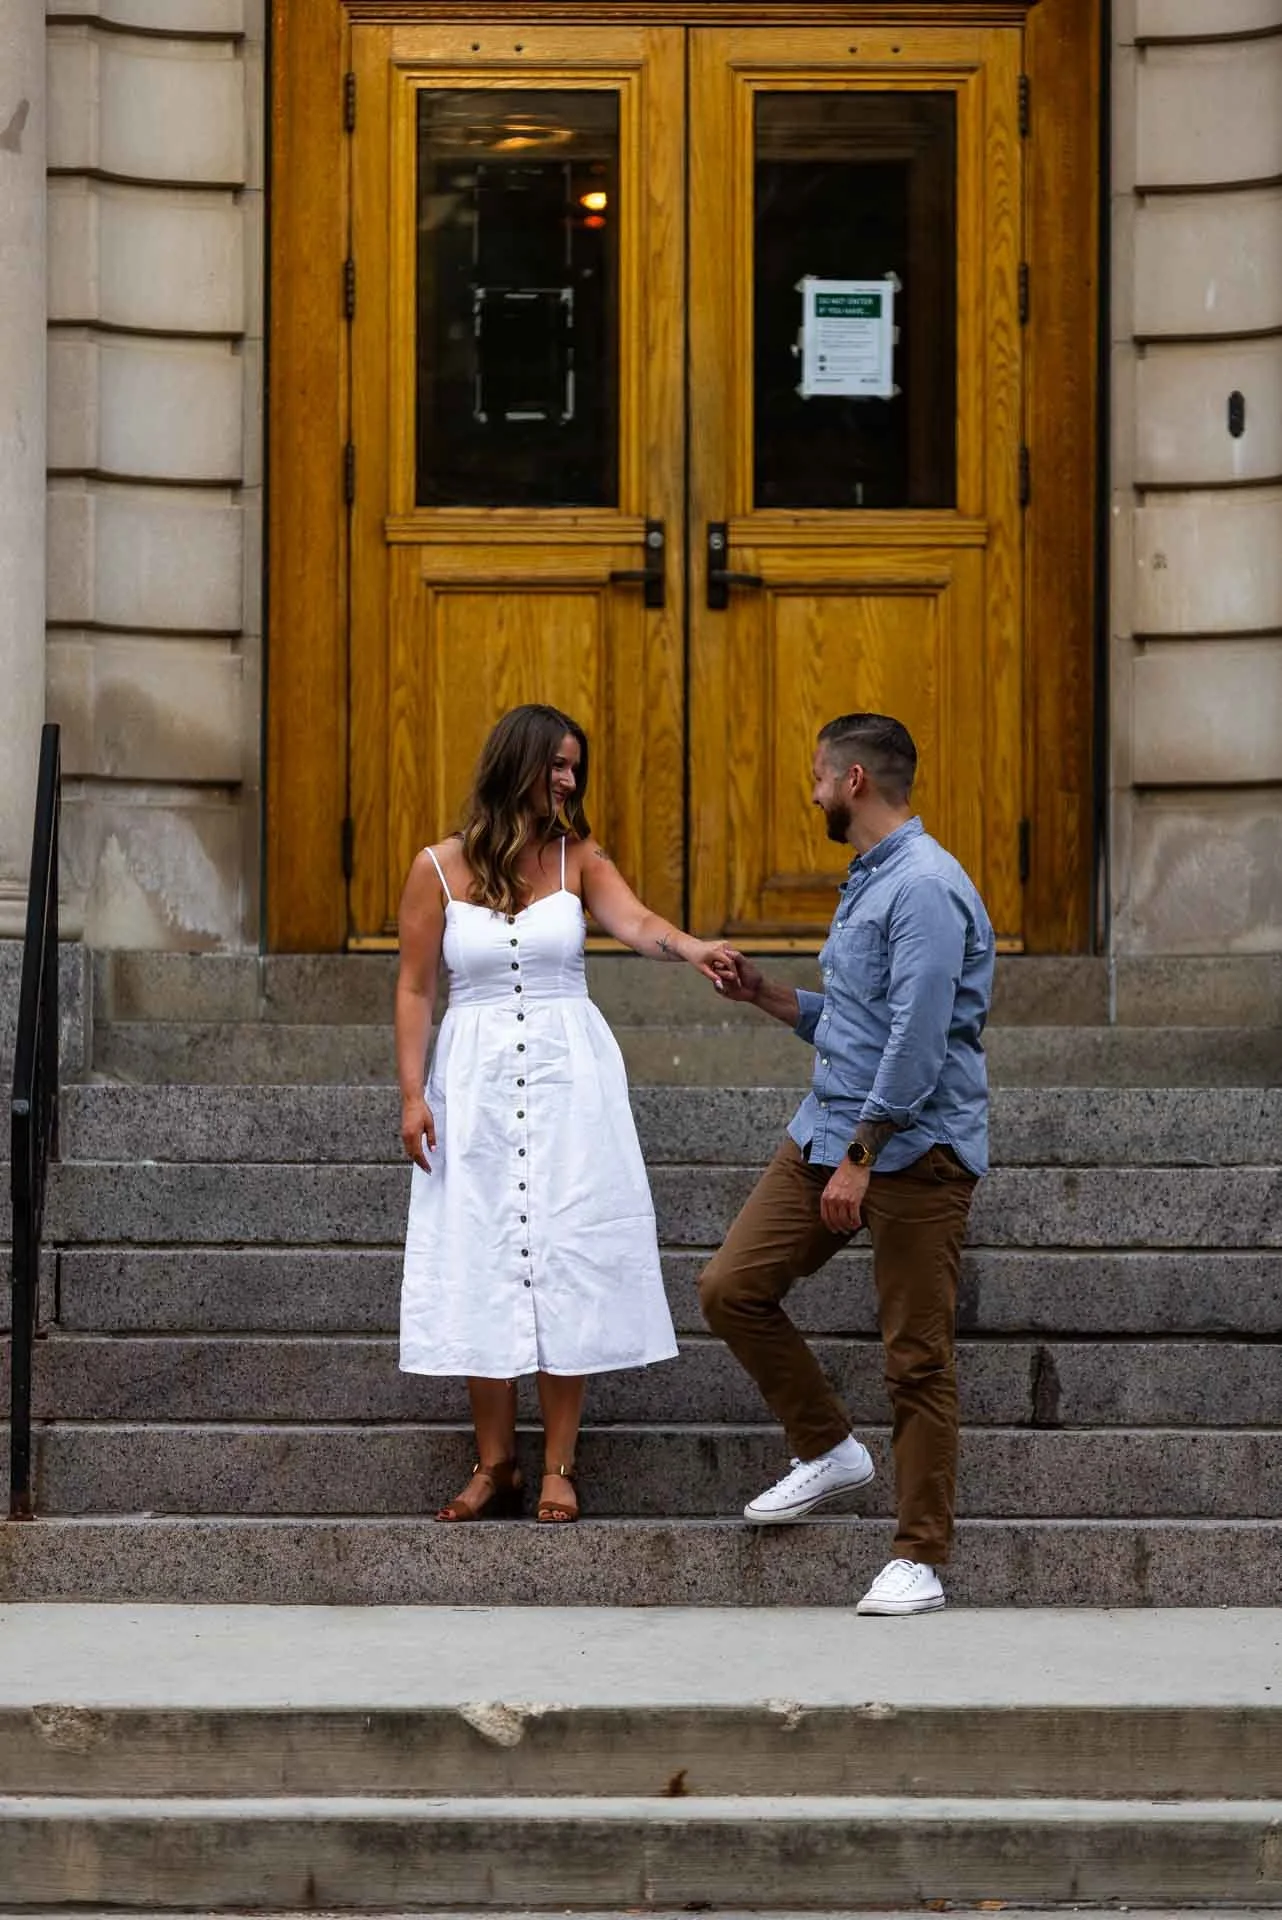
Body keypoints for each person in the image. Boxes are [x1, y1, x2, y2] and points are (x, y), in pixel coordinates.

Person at [397, 702, 733, 1525]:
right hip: (472, 1081)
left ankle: (558, 1465)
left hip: (566, 1079)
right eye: (557, 764)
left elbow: (637, 923)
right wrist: (412, 1094)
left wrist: (691, 949)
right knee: (482, 1250)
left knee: (564, 1252)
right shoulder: (435, 870)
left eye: (575, 766)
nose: (569, 779)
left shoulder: (579, 859)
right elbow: (413, 987)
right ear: (517, 763)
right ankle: (495, 1464)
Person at [701, 713, 994, 1615]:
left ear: (856, 780)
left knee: (916, 1360)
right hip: (830, 1131)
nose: (814, 790)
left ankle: (920, 1558)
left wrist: (863, 1157)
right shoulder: (871, 881)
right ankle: (828, 1446)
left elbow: (916, 1045)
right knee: (730, 1287)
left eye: (821, 776)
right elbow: (864, 1021)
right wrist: (767, 996)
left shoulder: (928, 888)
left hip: (915, 1152)